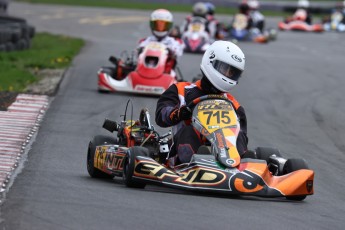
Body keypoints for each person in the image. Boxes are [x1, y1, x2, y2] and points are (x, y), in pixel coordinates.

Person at [155, 40, 249, 165]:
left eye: (232, 73)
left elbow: (242, 135)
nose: (228, 75)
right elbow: (161, 115)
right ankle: (198, 159)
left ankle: (243, 162)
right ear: (211, 61)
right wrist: (178, 113)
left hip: (225, 154)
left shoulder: (234, 105)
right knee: (188, 131)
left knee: (239, 136)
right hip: (182, 155)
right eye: (225, 69)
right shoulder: (180, 90)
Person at [114, 9, 184, 80]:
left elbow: (178, 53)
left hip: (166, 73)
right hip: (143, 69)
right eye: (157, 25)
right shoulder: (145, 41)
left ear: (169, 26)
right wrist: (140, 50)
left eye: (163, 25)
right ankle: (138, 76)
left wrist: (170, 51)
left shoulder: (174, 42)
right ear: (152, 25)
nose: (160, 28)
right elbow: (136, 54)